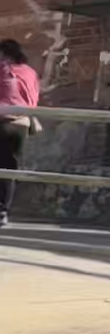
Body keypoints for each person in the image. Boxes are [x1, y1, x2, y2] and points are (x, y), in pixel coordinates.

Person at [0, 39, 41, 228]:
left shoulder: (3, 67)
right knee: (9, 167)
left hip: (3, 120)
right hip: (23, 123)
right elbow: (33, 98)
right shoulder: (30, 72)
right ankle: (3, 211)